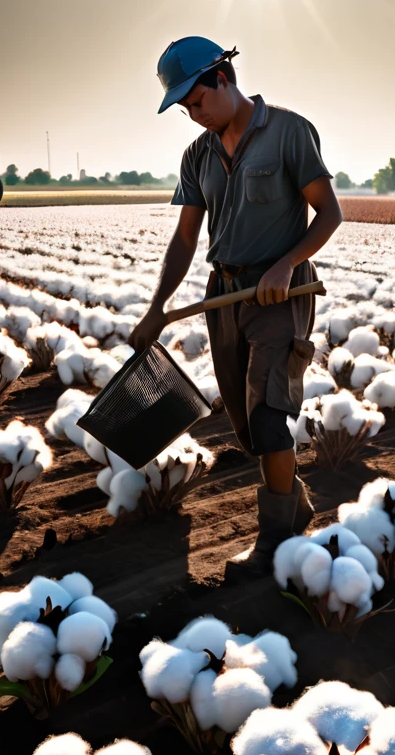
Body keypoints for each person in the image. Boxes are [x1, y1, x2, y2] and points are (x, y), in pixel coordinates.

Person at [129, 36, 342, 567]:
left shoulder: (289, 132)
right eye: (185, 109)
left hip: (279, 291)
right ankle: (292, 509)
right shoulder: (197, 156)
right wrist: (157, 307)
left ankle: (274, 543)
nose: (194, 115)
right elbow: (183, 240)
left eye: (197, 101)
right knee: (246, 426)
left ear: (221, 77)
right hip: (224, 293)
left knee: (269, 414)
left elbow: (329, 214)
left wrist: (286, 263)